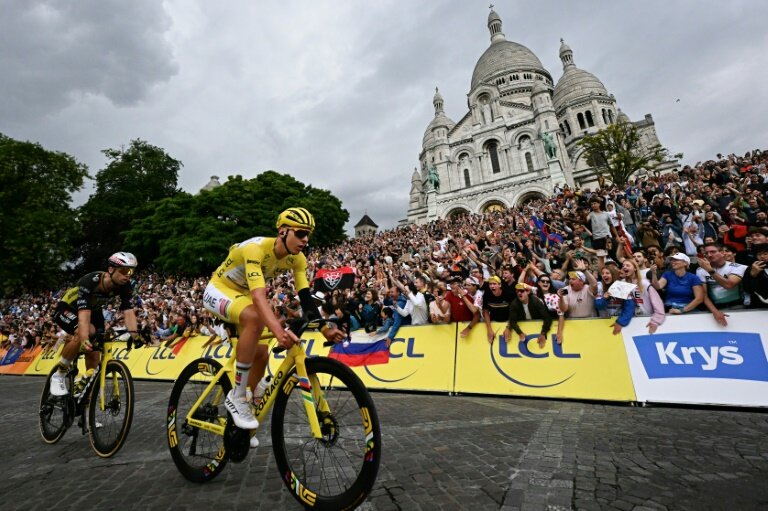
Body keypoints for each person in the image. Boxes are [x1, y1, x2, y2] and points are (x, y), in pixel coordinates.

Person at [202, 208, 344, 438]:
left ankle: (244, 417)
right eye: (300, 233)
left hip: (243, 296)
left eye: (308, 235)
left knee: (261, 353)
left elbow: (305, 297)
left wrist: (324, 328)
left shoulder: (297, 258)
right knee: (255, 318)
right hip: (220, 289)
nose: (305, 240)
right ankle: (237, 395)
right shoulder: (255, 249)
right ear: (283, 231)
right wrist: (279, 331)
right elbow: (259, 297)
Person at [49, 252, 143, 396]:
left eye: (131, 272)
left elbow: (128, 311)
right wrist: (84, 338)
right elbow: (83, 315)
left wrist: (135, 336)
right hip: (68, 308)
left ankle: (85, 394)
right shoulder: (90, 281)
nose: (128, 275)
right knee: (83, 332)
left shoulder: (124, 285)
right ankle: (59, 374)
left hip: (94, 310)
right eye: (124, 271)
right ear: (111, 269)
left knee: (96, 350)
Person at [696, 242, 747, 309]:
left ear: (722, 253)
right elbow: (704, 295)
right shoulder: (700, 270)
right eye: (706, 253)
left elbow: (729, 285)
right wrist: (715, 311)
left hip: (736, 305)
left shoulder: (738, 267)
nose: (709, 255)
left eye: (713, 252)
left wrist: (710, 271)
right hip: (715, 307)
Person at [503, 284, 553, 348]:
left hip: (538, 327)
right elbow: (512, 321)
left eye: (522, 291)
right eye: (517, 291)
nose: (519, 293)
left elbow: (547, 318)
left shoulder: (536, 301)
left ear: (528, 292)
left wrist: (543, 333)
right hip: (524, 328)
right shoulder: (514, 304)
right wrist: (520, 333)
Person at [482, 275, 512, 343]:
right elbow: (485, 311)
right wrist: (489, 329)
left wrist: (509, 328)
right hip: (494, 321)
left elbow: (514, 312)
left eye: (494, 284)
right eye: (490, 284)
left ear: (500, 285)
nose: (492, 286)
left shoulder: (508, 294)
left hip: (508, 321)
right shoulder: (486, 295)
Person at [743, 244, 768, 309]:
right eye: (759, 254)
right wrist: (752, 275)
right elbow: (746, 289)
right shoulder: (750, 268)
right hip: (758, 305)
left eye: (765, 254)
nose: (762, 256)